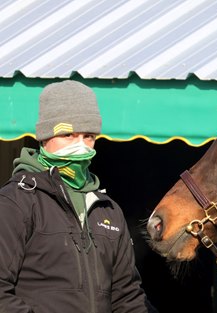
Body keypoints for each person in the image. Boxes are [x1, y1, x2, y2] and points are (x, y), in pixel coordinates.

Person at [0, 80, 157, 313]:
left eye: (89, 136)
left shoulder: (109, 210)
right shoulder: (15, 202)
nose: (81, 147)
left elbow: (127, 296)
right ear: (44, 137)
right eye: (68, 135)